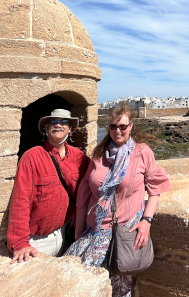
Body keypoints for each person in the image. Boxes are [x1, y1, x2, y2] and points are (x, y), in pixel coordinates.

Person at [66, 102, 171, 297]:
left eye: (123, 126)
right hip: (94, 231)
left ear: (131, 127)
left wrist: (146, 221)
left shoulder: (142, 152)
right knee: (78, 281)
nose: (118, 131)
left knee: (117, 290)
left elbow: (155, 189)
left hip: (123, 233)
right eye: (114, 126)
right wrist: (79, 235)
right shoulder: (99, 153)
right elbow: (84, 196)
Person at [8, 108, 90, 263]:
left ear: (70, 128)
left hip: (64, 234)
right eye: (53, 121)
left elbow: (89, 189)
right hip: (37, 242)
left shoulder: (80, 158)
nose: (58, 125)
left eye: (64, 122)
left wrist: (76, 211)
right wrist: (20, 243)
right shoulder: (31, 158)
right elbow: (21, 201)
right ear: (46, 128)